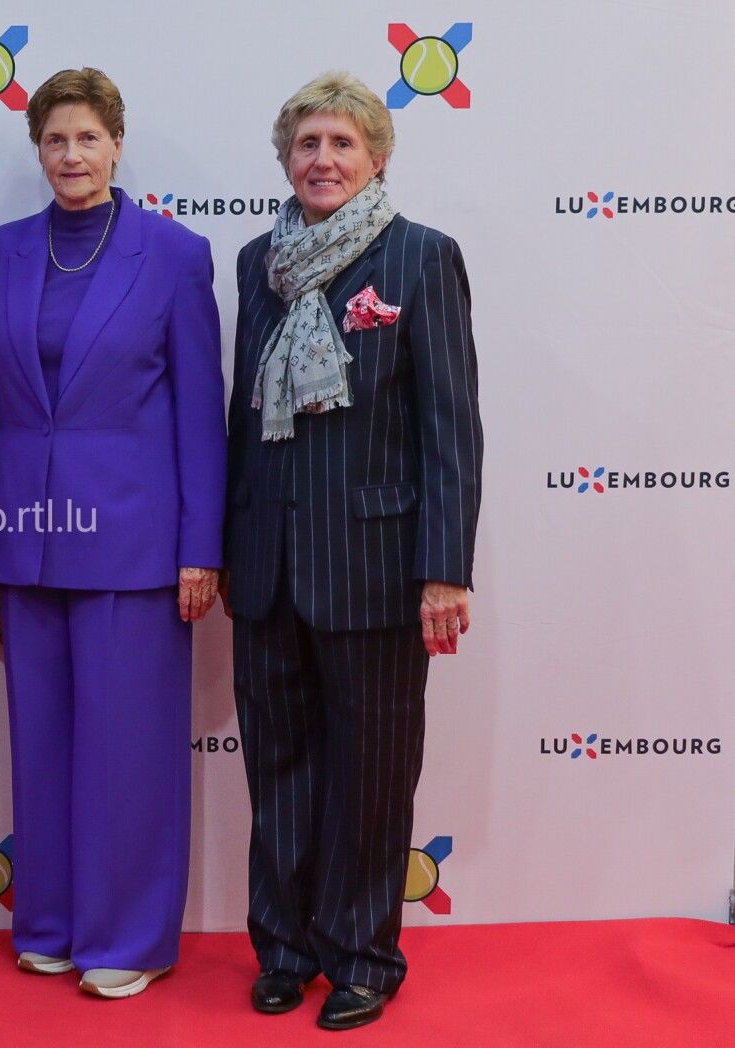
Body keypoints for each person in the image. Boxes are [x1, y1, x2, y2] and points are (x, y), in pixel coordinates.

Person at [222, 71, 483, 1031]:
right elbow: (243, 419)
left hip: (374, 569)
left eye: (341, 144)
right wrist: (226, 548)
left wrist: (444, 569)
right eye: (307, 144)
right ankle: (286, 951)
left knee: (370, 776)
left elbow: (451, 428)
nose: (322, 160)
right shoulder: (257, 262)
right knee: (278, 770)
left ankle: (364, 956)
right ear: (285, 159)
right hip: (268, 566)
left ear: (377, 156)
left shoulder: (421, 257)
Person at [0, 67, 225, 999]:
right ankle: (49, 920)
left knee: (128, 751)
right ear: (36, 150)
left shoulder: (174, 255)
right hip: (26, 536)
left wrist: (200, 547)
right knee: (40, 745)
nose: (71, 155)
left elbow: (200, 413)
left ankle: (127, 936)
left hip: (134, 541)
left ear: (118, 145)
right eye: (55, 140)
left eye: (87, 138)